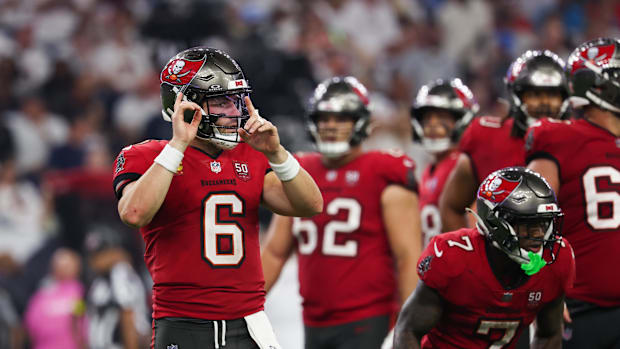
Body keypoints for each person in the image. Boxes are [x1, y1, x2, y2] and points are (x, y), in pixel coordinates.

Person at [113, 47, 323, 349]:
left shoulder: (250, 154)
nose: (234, 112)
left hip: (250, 323)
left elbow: (311, 204)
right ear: (183, 103)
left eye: (235, 101)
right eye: (220, 102)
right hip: (183, 323)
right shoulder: (147, 156)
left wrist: (277, 153)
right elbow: (134, 213)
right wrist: (177, 146)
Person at [261, 76, 422, 349]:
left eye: (341, 118)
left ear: (361, 122)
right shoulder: (299, 171)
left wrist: (409, 327)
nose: (330, 126)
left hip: (367, 317)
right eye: (324, 118)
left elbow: (408, 258)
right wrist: (239, 306)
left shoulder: (383, 171)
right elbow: (275, 252)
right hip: (313, 317)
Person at [393, 167, 575, 349]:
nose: (539, 234)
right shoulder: (454, 258)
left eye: (544, 223)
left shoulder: (557, 262)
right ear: (494, 223)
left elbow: (549, 334)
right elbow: (408, 330)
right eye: (527, 224)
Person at [526, 37, 620, 349]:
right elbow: (527, 219)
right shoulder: (560, 137)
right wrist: (540, 287)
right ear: (600, 86)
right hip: (581, 309)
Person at [439, 50, 570, 232]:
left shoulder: (581, 141)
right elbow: (451, 207)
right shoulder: (486, 137)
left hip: (566, 256)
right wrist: (470, 257)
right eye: (534, 94)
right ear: (516, 95)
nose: (544, 103)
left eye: (552, 95)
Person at [411, 78, 478, 246]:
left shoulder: (464, 165)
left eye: (442, 117)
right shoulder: (431, 168)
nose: (432, 124)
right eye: (428, 117)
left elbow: (474, 230)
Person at [83, 224, 149, 349]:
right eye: (92, 255)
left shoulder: (120, 273)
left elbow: (127, 314)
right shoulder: (99, 280)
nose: (95, 260)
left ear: (114, 251)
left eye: (100, 253)